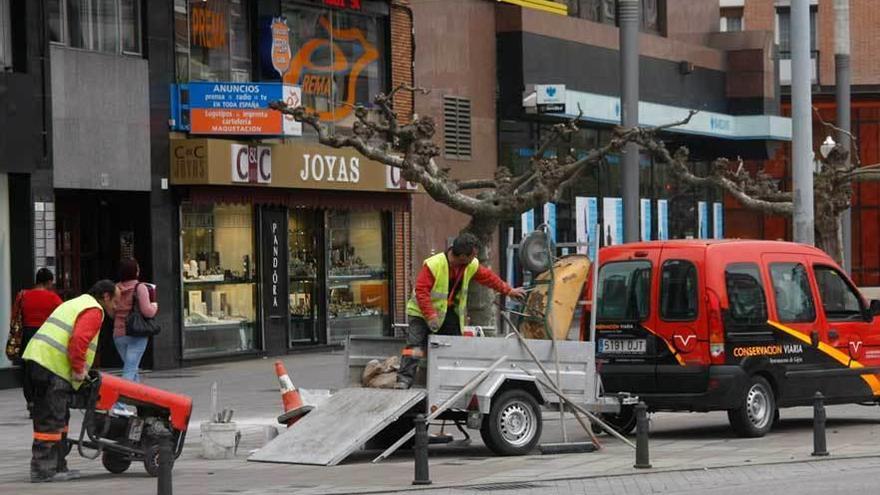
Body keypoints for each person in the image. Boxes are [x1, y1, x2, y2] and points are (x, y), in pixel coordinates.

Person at [396, 233, 526, 389]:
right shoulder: (434, 264)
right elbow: (422, 291)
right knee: (415, 348)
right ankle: (404, 380)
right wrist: (430, 315)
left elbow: (488, 278)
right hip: (420, 313)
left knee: (452, 348)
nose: (475, 258)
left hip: (448, 314)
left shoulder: (470, 264)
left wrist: (509, 291)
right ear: (463, 256)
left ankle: (446, 383)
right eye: (473, 255)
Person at [22, 279, 119, 483]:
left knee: (57, 416)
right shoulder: (93, 310)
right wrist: (78, 370)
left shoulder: (78, 302)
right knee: (51, 418)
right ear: (106, 297)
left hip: (39, 362)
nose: (116, 307)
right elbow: (79, 340)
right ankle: (43, 470)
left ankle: (57, 465)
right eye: (115, 302)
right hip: (51, 367)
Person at [18, 269, 63, 416]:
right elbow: (62, 315)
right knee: (44, 367)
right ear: (49, 282)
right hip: (45, 334)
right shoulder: (53, 298)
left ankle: (30, 400)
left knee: (27, 369)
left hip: (27, 334)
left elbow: (15, 315)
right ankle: (42, 400)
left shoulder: (23, 295)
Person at [113, 259, 158, 386]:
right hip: (136, 334)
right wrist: (154, 305)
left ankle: (139, 400)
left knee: (132, 368)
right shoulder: (140, 287)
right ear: (135, 272)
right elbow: (148, 311)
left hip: (119, 333)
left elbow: (112, 311)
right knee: (130, 370)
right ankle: (119, 404)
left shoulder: (115, 288)